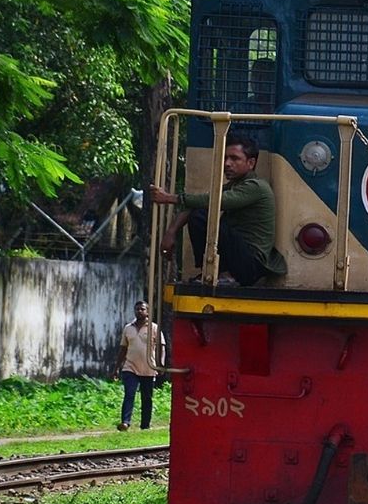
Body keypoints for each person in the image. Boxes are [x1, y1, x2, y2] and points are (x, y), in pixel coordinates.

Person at [150, 132, 287, 286]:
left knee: (201, 215)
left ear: (251, 163)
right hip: (239, 259)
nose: (227, 164)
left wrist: (169, 198)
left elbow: (216, 201)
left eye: (234, 158)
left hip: (250, 265)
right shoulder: (234, 186)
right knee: (199, 211)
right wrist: (171, 232)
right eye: (225, 158)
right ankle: (212, 272)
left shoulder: (257, 187)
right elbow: (198, 203)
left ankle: (226, 275)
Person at [113, 301, 164, 431]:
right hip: (130, 367)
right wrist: (116, 368)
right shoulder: (128, 328)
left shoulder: (154, 328)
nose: (139, 311)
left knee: (147, 398)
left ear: (147, 312)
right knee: (129, 394)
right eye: (137, 309)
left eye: (142, 309)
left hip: (148, 367)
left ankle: (145, 425)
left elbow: (161, 347)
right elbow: (123, 349)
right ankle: (125, 422)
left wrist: (160, 364)